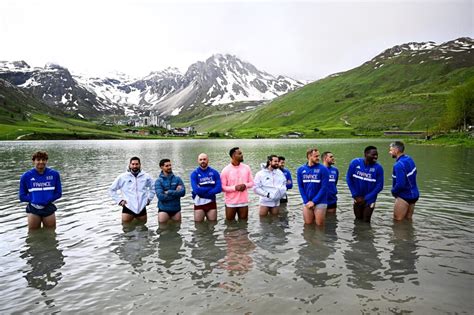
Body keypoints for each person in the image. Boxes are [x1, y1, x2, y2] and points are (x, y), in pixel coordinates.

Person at [19, 151, 62, 230]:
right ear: (33, 161)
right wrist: (35, 200)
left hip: (48, 207)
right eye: (38, 160)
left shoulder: (55, 174)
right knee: (33, 235)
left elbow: (58, 193)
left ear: (46, 161)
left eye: (43, 160)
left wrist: (48, 200)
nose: (41, 162)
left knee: (51, 234)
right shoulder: (26, 176)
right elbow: (22, 196)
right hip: (33, 209)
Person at [109, 156, 155, 223]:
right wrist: (119, 201)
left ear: (140, 165)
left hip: (142, 207)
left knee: (143, 229)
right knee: (126, 229)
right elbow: (111, 190)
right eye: (133, 164)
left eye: (136, 164)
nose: (135, 166)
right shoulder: (123, 177)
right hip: (128, 207)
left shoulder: (146, 176)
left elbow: (153, 187)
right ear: (129, 165)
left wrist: (149, 199)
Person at [346, 146, 384, 223]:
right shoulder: (355, 163)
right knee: (358, 219)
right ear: (366, 154)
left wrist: (366, 198)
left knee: (366, 221)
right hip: (357, 197)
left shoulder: (378, 168)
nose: (376, 157)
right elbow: (348, 178)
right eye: (373, 154)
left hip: (370, 199)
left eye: (377, 155)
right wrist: (355, 195)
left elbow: (379, 186)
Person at [297, 148, 329, 226]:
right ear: (309, 156)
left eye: (318, 156)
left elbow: (324, 188)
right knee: (308, 225)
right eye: (316, 156)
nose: (318, 158)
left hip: (320, 201)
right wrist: (306, 201)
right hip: (307, 201)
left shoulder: (323, 169)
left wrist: (314, 201)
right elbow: (301, 187)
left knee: (319, 226)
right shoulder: (301, 169)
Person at [220, 147, 254, 221]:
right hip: (230, 202)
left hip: (243, 202)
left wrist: (245, 185)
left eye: (241, 153)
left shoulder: (247, 168)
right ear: (233, 156)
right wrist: (235, 188)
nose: (242, 155)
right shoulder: (225, 170)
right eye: (239, 154)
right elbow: (222, 187)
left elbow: (252, 183)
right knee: (230, 224)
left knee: (244, 224)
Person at [389, 141, 419, 221]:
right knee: (408, 220)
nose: (390, 152)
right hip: (414, 195)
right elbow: (415, 173)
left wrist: (393, 191)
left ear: (396, 150)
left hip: (404, 196)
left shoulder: (398, 165)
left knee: (398, 221)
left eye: (391, 150)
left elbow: (400, 184)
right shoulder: (409, 159)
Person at [190, 153, 222, 222]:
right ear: (198, 161)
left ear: (208, 160)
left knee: (212, 225)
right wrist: (210, 188)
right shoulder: (194, 174)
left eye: (204, 159)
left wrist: (202, 190)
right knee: (198, 227)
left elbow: (219, 188)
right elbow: (196, 190)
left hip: (211, 202)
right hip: (199, 203)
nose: (202, 161)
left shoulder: (214, 172)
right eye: (200, 159)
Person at [155, 159, 186, 223]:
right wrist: (176, 194)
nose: (169, 167)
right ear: (161, 167)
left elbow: (183, 193)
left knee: (177, 230)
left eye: (170, 165)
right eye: (167, 166)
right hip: (163, 210)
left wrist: (169, 192)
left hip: (176, 210)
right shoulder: (158, 181)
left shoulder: (178, 179)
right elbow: (161, 197)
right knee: (163, 231)